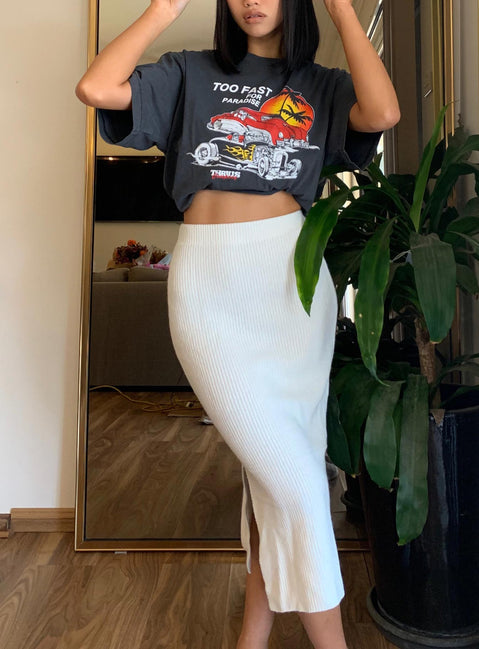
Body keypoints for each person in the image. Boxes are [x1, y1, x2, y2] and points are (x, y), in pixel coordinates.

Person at [76, 1, 400, 647]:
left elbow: (384, 113)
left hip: (291, 287)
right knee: (299, 486)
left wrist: (341, 10)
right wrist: (164, 8)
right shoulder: (188, 72)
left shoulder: (319, 84)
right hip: (210, 287)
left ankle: (249, 641)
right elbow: (96, 88)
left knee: (277, 482)